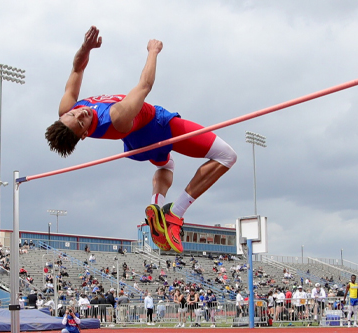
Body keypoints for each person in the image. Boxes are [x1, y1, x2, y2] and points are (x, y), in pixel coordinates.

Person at [45, 26, 237, 254]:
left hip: (136, 147)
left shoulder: (68, 109)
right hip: (159, 127)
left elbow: (77, 68)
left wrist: (86, 48)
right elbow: (145, 86)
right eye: (80, 123)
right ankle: (175, 214)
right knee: (227, 155)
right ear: (85, 134)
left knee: (167, 164)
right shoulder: (115, 117)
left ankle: (156, 205)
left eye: (73, 115)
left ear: (63, 114)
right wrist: (153, 51)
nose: (80, 114)